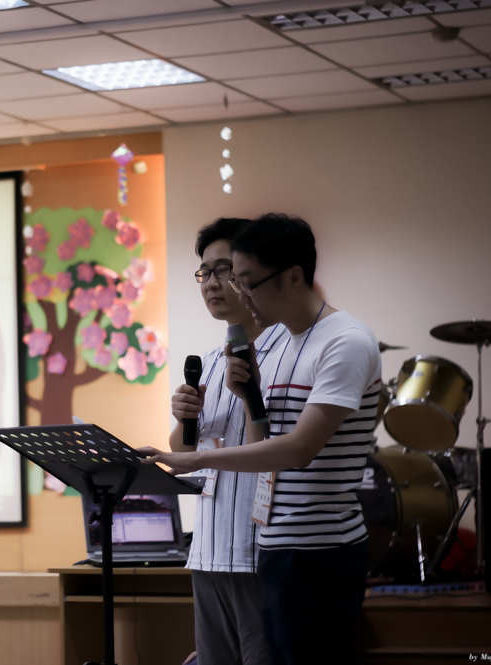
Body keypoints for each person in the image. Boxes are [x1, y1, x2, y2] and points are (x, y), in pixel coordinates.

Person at [143, 214, 381, 665]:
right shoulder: (284, 345)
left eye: (243, 280)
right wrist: (238, 402)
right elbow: (262, 443)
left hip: (318, 550)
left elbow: (299, 449)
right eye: (216, 275)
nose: (236, 290)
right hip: (270, 545)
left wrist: (195, 462)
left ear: (292, 276)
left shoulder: (344, 340)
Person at [172, 218, 287, 665]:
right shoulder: (209, 361)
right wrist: (184, 418)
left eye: (223, 269)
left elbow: (281, 453)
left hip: (258, 552)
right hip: (208, 551)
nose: (211, 282)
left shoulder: (287, 353)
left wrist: (249, 397)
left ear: (248, 272)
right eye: (205, 272)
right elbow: (184, 453)